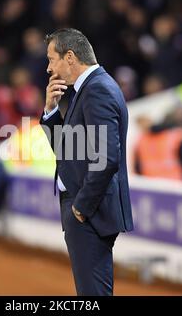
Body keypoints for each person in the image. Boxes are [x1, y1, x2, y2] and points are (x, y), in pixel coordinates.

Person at [39, 28, 133, 296]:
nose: (48, 68)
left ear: (70, 57)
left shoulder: (97, 90)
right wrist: (51, 110)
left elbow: (107, 158)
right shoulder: (89, 89)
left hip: (89, 211)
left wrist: (81, 207)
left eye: (51, 59)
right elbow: (67, 149)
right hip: (86, 208)